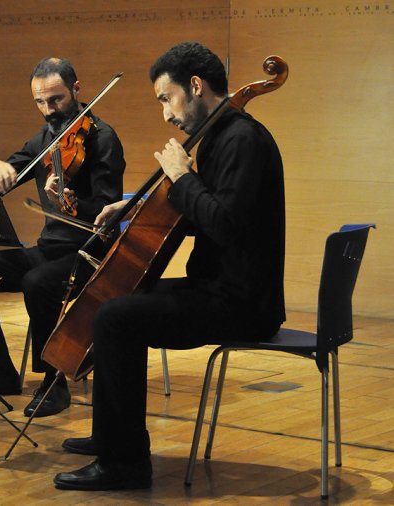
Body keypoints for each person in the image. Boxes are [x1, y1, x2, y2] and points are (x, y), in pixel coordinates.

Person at [52, 42, 285, 490]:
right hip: (219, 290)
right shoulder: (222, 137)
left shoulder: (243, 140)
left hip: (242, 303)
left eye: (166, 98)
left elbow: (225, 225)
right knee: (117, 304)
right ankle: (110, 436)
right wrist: (131, 204)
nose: (166, 115)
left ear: (195, 86)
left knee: (118, 319)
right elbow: (206, 211)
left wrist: (182, 177)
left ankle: (126, 465)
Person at [0, 57, 125, 417]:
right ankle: (0, 370)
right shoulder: (46, 138)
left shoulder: (103, 139)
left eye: (55, 100)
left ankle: (54, 382)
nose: (48, 110)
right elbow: (5, 175)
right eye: (40, 102)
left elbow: (106, 214)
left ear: (76, 89)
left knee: (37, 282)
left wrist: (73, 202)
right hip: (49, 249)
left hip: (90, 254)